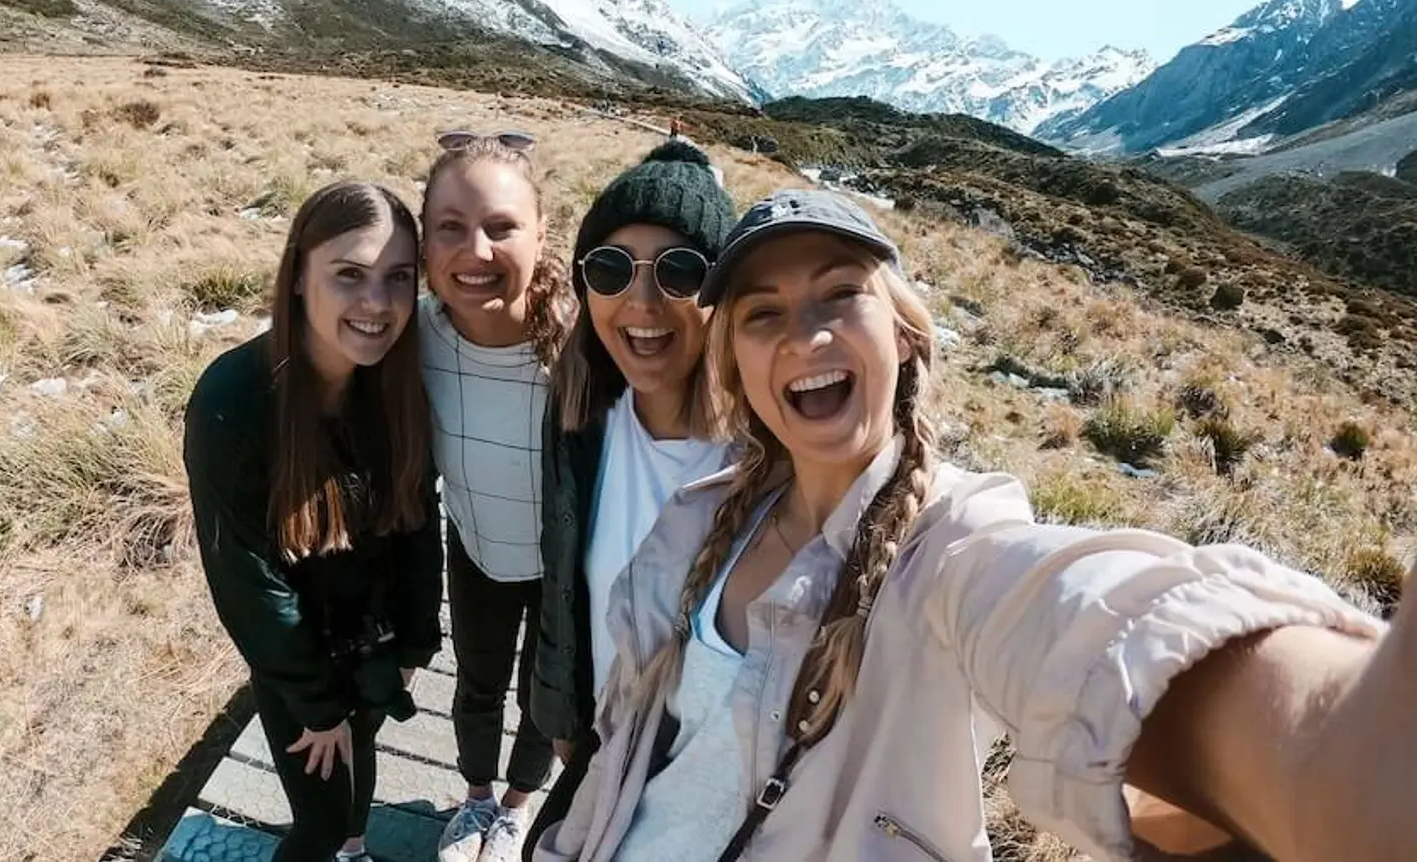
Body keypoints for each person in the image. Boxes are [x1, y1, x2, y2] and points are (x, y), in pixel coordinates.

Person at [534, 187, 1414, 862]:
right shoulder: (704, 521)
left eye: (840, 296)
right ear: (736, 360)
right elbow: (637, 748)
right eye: (763, 313)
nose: (804, 336)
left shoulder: (951, 546)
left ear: (906, 337)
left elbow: (1072, 612)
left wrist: (1317, 759)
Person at [184, 181, 444, 862]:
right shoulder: (234, 400)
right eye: (349, 275)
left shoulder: (392, 383)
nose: (378, 304)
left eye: (398, 279)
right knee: (320, 822)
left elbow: (417, 517)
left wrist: (416, 643)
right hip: (298, 656)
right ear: (299, 274)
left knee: (359, 773)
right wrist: (317, 701)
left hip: (375, 639)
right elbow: (243, 576)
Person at [524, 141, 740, 859]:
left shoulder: (766, 457)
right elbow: (560, 585)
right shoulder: (581, 417)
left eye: (680, 271)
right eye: (612, 268)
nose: (641, 302)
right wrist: (560, 713)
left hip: (707, 787)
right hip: (598, 747)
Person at [419, 131, 576, 862]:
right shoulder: (416, 333)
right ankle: (476, 800)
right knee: (476, 683)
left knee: (542, 698)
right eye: (450, 227)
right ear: (424, 241)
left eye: (501, 227)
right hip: (475, 545)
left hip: (559, 565)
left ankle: (517, 806)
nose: (475, 252)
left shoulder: (580, 347)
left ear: (541, 233)